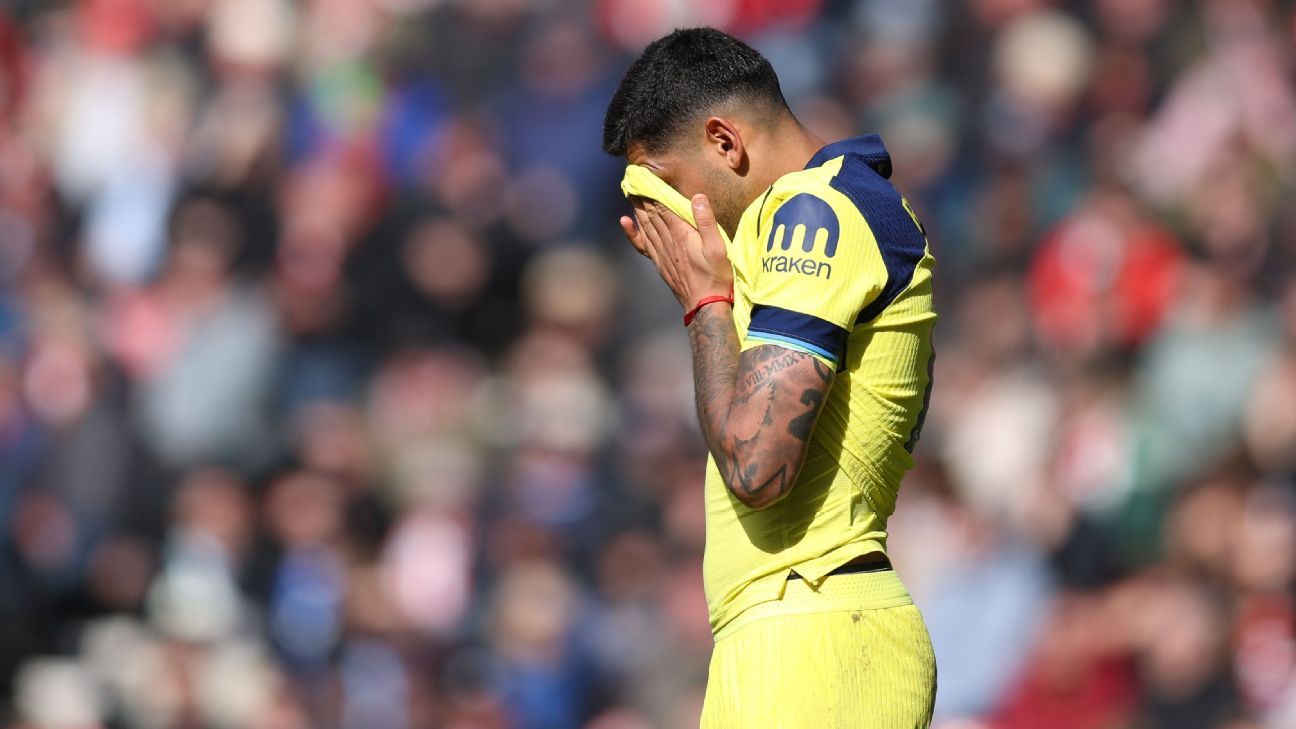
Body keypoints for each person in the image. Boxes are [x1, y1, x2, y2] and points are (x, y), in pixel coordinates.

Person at [603, 27, 938, 728]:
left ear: (725, 142)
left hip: (817, 632)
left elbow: (757, 465)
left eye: (668, 185)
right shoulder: (802, 218)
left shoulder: (816, 212)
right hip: (783, 633)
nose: (666, 217)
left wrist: (704, 302)